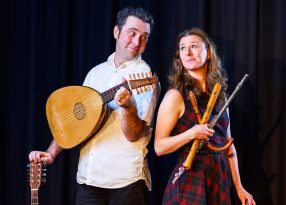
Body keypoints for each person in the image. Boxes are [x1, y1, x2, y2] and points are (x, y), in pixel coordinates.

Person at [29, 6, 159, 205]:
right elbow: (76, 122)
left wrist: (129, 107)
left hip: (126, 183)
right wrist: (52, 152)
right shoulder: (95, 73)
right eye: (132, 33)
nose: (137, 42)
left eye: (144, 37)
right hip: (88, 180)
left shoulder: (145, 77)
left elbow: (134, 135)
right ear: (117, 32)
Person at [154, 28, 255, 205]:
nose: (188, 52)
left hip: (219, 177)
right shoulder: (175, 96)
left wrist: (239, 187)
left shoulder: (220, 96)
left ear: (208, 53)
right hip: (190, 177)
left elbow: (228, 145)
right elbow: (159, 147)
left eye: (194, 46)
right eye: (183, 48)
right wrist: (191, 133)